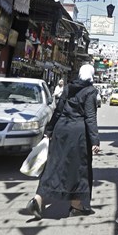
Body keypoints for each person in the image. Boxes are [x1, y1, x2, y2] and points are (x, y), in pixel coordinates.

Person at [27, 64, 100, 220]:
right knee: (78, 168)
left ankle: (37, 200)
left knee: (54, 165)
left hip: (61, 129)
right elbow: (90, 117)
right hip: (78, 134)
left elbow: (58, 110)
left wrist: (50, 130)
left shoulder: (68, 88)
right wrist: (95, 140)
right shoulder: (90, 91)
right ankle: (76, 205)